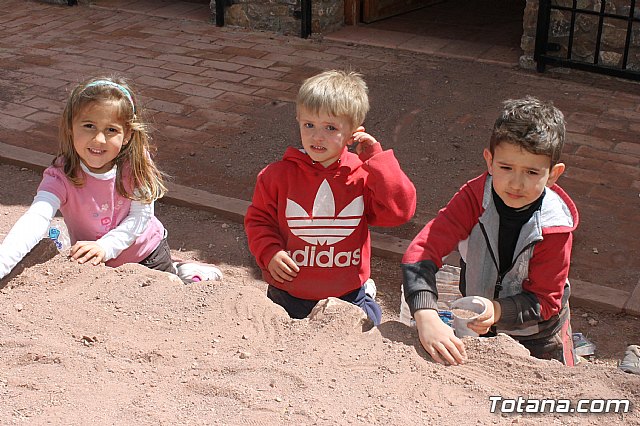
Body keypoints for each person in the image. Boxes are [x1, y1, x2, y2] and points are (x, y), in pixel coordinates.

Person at [402, 96, 578, 366]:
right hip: (478, 327)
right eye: (506, 167)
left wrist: (496, 310)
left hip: (537, 337)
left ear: (553, 174)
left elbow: (545, 301)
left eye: (532, 172)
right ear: (489, 160)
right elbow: (423, 250)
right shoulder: (474, 198)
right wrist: (425, 314)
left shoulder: (555, 227)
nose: (516, 183)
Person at [0, 76, 222, 283]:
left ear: (126, 135)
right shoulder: (60, 175)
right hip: (98, 262)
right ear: (70, 127)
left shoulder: (136, 165)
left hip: (147, 253)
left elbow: (141, 216)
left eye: (111, 130)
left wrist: (106, 246)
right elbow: (35, 218)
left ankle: (185, 272)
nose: (98, 139)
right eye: (89, 126)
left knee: (171, 289)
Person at [244, 69, 416, 325]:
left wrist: (377, 160)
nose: (317, 136)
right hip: (288, 293)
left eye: (330, 127)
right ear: (298, 120)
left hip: (347, 294)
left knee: (359, 339)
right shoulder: (275, 175)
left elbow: (400, 211)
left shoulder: (361, 175)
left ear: (353, 134)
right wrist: (270, 252)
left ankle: (367, 297)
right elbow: (258, 221)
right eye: (309, 124)